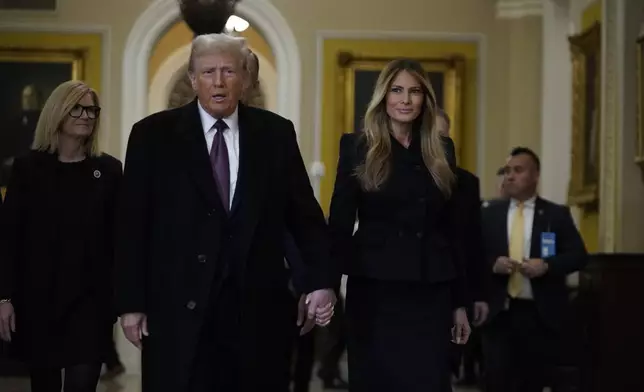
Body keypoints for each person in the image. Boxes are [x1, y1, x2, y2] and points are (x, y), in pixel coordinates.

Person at [114, 33, 336, 392]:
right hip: (177, 311)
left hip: (256, 313)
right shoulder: (153, 136)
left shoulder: (275, 134)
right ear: (192, 79)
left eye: (229, 72)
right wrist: (130, 304)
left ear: (245, 78)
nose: (218, 82)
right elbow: (132, 226)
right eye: (208, 72)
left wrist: (319, 281)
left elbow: (303, 218)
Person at [327, 58, 471, 392]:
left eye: (414, 91)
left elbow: (454, 232)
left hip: (430, 291)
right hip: (375, 291)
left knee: (428, 382)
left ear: (425, 100)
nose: (405, 99)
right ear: (383, 97)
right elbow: (339, 223)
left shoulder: (442, 150)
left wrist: (460, 302)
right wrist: (327, 287)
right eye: (397, 90)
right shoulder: (357, 147)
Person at [0, 80, 122, 392]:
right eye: (77, 108)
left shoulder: (108, 170)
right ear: (58, 112)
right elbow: (10, 237)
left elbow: (119, 238)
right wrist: (4, 297)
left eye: (92, 109)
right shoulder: (28, 169)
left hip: (90, 303)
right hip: (38, 300)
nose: (86, 116)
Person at [480, 147, 588, 392]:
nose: (510, 176)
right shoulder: (487, 213)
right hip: (499, 313)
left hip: (539, 315)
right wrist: (492, 264)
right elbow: (469, 255)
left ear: (535, 175)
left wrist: (547, 265)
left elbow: (579, 256)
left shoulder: (555, 214)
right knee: (496, 380)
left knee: (532, 382)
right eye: (507, 171)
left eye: (518, 170)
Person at [435, 109, 488, 387]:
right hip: (417, 290)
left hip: (455, 286)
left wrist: (477, 295)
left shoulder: (467, 183)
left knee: (445, 368)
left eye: (444, 137)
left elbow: (473, 241)